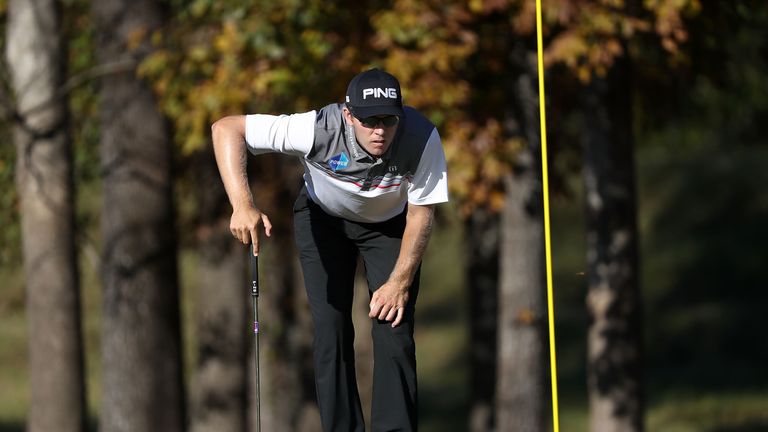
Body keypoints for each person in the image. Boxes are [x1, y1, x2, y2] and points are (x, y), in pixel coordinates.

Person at [211, 68, 448, 431]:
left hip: (389, 225)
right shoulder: (314, 128)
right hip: (323, 219)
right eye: (369, 121)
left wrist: (399, 281)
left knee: (394, 328)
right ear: (348, 114)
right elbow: (226, 128)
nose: (380, 130)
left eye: (389, 119)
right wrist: (242, 204)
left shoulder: (422, 137)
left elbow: (420, 214)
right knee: (330, 328)